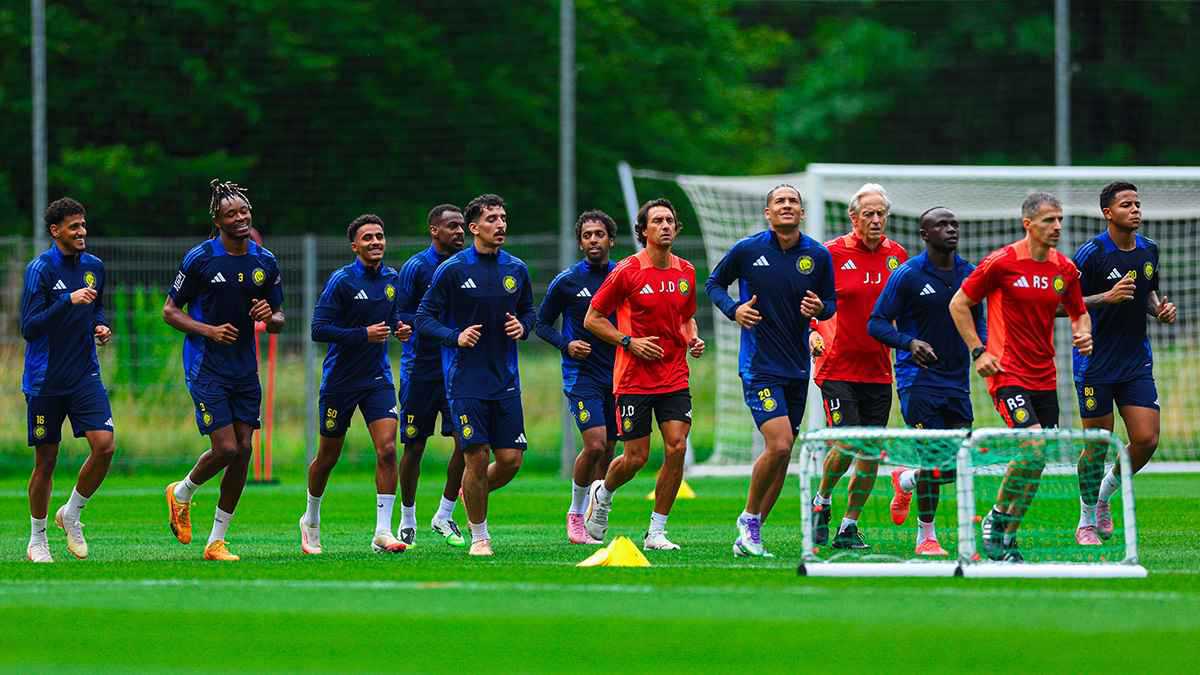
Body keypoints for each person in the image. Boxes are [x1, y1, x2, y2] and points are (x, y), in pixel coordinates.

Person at [949, 191, 1091, 562]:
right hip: (1006, 371)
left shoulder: (1064, 269)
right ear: (1028, 224)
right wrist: (978, 351)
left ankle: (1009, 538)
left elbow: (1078, 311)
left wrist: (1083, 331)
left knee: (1039, 458)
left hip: (1045, 376)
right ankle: (996, 517)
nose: (1057, 226)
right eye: (1048, 220)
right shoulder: (1001, 263)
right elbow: (959, 304)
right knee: (1031, 446)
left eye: (1059, 219)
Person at [705, 185, 835, 558]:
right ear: (768, 212)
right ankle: (748, 518)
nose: (787, 206)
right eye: (780, 201)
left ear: (802, 212)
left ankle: (753, 534)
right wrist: (734, 310)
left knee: (784, 452)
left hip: (796, 367)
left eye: (793, 201)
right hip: (759, 366)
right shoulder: (748, 250)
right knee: (778, 444)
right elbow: (714, 284)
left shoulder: (817, 255)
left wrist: (818, 308)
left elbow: (829, 304)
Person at [162, 179, 285, 561]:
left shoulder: (265, 261)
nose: (240, 217)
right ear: (217, 219)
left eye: (244, 211)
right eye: (231, 213)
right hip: (206, 366)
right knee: (226, 447)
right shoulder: (200, 259)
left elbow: (279, 316)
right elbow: (170, 311)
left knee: (244, 450)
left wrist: (271, 316)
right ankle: (181, 492)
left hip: (244, 368)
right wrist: (209, 331)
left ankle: (216, 540)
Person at [582, 198, 706, 551]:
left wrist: (692, 338)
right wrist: (628, 341)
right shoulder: (626, 271)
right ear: (644, 231)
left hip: (674, 376)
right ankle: (603, 493)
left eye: (670, 221)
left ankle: (656, 531)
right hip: (634, 378)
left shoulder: (686, 271)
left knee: (677, 447)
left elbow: (685, 318)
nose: (665, 226)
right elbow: (592, 319)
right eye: (658, 221)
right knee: (635, 457)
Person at [415, 194, 534, 557]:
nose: (500, 225)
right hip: (465, 380)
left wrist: (523, 327)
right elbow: (423, 319)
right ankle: (481, 537)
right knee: (477, 456)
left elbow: (530, 312)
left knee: (511, 460)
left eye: (503, 218)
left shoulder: (516, 269)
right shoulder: (452, 270)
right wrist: (455, 337)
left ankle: (470, 491)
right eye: (492, 219)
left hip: (505, 379)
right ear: (474, 228)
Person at [868, 207, 984, 556]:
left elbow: (981, 321)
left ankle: (905, 480)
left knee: (955, 464)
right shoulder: (908, 275)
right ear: (924, 234)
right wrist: (909, 343)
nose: (951, 230)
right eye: (942, 225)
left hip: (957, 382)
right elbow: (876, 322)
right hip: (917, 381)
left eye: (954, 224)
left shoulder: (970, 274)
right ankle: (926, 538)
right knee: (935, 458)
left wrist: (984, 350)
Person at [299, 214, 413, 555]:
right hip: (340, 381)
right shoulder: (342, 281)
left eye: (380, 236)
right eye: (368, 238)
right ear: (355, 246)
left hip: (377, 378)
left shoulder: (392, 279)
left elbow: (392, 320)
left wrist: (401, 328)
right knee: (327, 456)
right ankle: (311, 519)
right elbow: (318, 329)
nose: (376, 242)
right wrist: (362, 335)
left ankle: (382, 530)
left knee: (388, 448)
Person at [1072, 182, 1176, 545]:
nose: (1135, 210)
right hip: (1094, 363)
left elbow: (1146, 292)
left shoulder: (1149, 250)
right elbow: (1060, 304)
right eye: (1126, 204)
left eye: (1137, 203)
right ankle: (1085, 521)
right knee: (1098, 445)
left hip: (1135, 362)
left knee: (1146, 439)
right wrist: (1106, 296)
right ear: (1107, 213)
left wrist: (1158, 309)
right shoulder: (1090, 254)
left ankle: (1103, 497)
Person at [809, 183, 908, 550]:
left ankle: (849, 526)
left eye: (881, 213)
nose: (876, 219)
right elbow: (811, 302)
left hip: (879, 370)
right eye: (869, 213)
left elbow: (903, 306)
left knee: (870, 451)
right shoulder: (831, 254)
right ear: (854, 217)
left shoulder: (897, 255)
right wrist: (812, 331)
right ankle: (821, 501)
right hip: (836, 366)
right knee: (848, 442)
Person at [21, 198, 116, 563]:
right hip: (45, 380)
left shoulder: (94, 267)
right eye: (74, 227)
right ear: (55, 231)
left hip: (84, 374)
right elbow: (29, 327)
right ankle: (38, 539)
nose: (82, 233)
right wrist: (68, 301)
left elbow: (96, 307)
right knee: (46, 460)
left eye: (83, 225)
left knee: (105, 445)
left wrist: (100, 325)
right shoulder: (40, 270)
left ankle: (72, 513)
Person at [535, 210, 620, 544]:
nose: (593, 240)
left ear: (611, 240)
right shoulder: (568, 280)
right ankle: (574, 512)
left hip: (620, 374)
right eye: (587, 235)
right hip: (582, 375)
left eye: (599, 234)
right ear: (580, 242)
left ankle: (593, 515)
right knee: (595, 442)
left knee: (609, 447)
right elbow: (540, 324)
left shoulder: (624, 276)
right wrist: (566, 344)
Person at [394, 204, 468, 548]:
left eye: (462, 226)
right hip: (421, 369)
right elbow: (401, 312)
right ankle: (407, 518)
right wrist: (405, 326)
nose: (460, 231)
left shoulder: (467, 265)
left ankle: (444, 514)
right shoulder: (416, 267)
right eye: (452, 226)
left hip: (459, 368)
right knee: (413, 445)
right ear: (434, 231)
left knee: (467, 444)